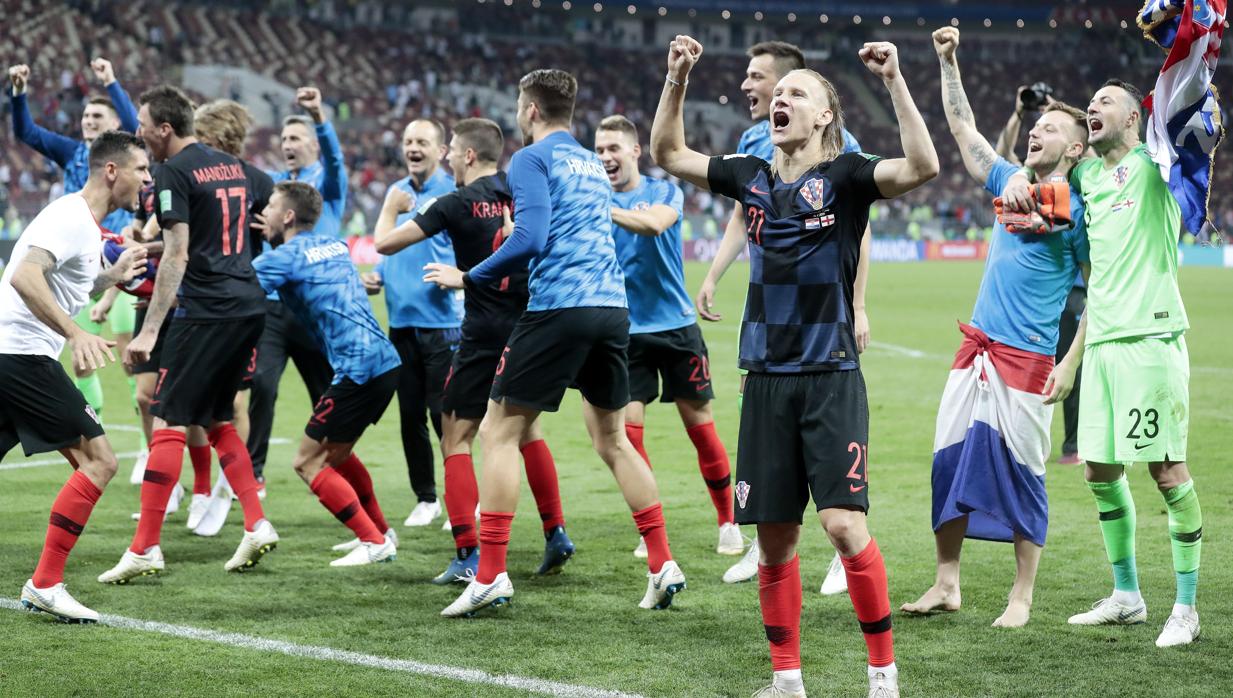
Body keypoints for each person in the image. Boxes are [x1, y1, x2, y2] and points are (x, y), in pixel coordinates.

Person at [651, 35, 938, 697]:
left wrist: (895, 80)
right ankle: (787, 681)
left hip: (829, 376)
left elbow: (921, 165)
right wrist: (676, 78)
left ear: (822, 119)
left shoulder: (845, 177)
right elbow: (668, 153)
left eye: (795, 94)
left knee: (841, 524)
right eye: (777, 94)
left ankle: (882, 675)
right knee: (774, 542)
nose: (779, 99)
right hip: (764, 380)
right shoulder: (749, 178)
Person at [428, 69, 686, 618]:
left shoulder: (529, 159)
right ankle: (663, 563)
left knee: (498, 432)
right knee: (613, 440)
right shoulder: (592, 162)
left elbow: (531, 237)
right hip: (612, 309)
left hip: (558, 308)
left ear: (529, 110)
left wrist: (469, 276)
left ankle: (492, 574)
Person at [899, 27, 1090, 629]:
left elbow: (1102, 289)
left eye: (1052, 128)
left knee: (1025, 475)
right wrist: (947, 60)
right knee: (947, 462)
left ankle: (1021, 597)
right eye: (1038, 126)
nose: (1037, 131)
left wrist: (1071, 360)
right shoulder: (1009, 177)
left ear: (1077, 150)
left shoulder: (1080, 210)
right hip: (973, 349)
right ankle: (946, 583)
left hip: (1029, 359)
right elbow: (963, 131)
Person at [1001, 78, 1204, 648]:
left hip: (1152, 337)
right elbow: (1039, 171)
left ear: (1137, 118)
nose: (1093, 107)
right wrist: (1068, 362)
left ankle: (1185, 608)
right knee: (1099, 471)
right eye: (1090, 103)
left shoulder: (1157, 163)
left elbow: (1197, 128)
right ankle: (1127, 597)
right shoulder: (1086, 178)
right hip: (1105, 340)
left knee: (1166, 472)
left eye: (1105, 101)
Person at [697, 40, 869, 592]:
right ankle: (765, 544)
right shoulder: (756, 144)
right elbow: (744, 215)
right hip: (770, 339)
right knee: (773, 490)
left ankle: (844, 549)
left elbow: (857, 231)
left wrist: (858, 305)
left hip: (823, 332)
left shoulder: (835, 148)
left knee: (837, 503)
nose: (751, 87)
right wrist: (714, 273)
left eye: (760, 78)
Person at [374, 117, 573, 582]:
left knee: (454, 436)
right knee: (527, 431)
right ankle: (555, 530)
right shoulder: (523, 191)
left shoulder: (454, 203)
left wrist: (390, 207)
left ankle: (467, 552)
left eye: (449, 152)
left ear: (466, 155)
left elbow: (384, 244)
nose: (445, 159)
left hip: (482, 330)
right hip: (529, 326)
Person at [98, 85, 276, 583]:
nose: (138, 133)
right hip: (248, 305)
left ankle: (145, 547)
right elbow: (276, 200)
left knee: (170, 418)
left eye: (142, 124)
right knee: (218, 417)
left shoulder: (174, 171)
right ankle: (256, 522)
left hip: (209, 310)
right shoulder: (234, 166)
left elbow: (179, 254)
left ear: (164, 129)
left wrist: (149, 331)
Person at [1, 131, 149, 622]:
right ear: (113, 171)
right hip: (21, 355)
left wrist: (113, 276)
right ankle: (45, 583)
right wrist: (75, 334)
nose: (147, 180)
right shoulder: (70, 217)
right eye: (141, 170)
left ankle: (46, 582)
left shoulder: (83, 224)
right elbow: (25, 276)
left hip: (12, 354)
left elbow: (67, 284)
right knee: (99, 461)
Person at [594, 114, 741, 557]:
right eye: (599, 151)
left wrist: (598, 208)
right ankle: (651, 528)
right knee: (629, 435)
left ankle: (728, 521)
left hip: (676, 327)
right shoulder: (595, 196)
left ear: (634, 150)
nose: (606, 158)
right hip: (626, 332)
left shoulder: (663, 191)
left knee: (700, 428)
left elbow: (655, 224)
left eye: (613, 148)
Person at [253, 181, 400, 566]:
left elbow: (234, 290)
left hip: (357, 368)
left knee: (306, 462)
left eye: (269, 207)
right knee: (337, 454)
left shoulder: (283, 258)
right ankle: (382, 533)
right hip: (383, 361)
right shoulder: (334, 244)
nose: (263, 213)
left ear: (287, 216)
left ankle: (372, 540)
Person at [8, 58, 144, 452]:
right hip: (73, 257)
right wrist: (18, 93)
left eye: (97, 115)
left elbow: (138, 133)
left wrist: (113, 83)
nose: (88, 121)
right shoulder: (72, 157)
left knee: (128, 358)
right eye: (85, 115)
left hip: (109, 254)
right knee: (82, 361)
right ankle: (91, 433)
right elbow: (27, 132)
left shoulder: (127, 161)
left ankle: (139, 442)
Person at [361, 118, 461, 527]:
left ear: (441, 151)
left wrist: (454, 273)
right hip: (401, 323)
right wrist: (380, 276)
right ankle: (426, 497)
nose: (413, 148)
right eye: (408, 141)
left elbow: (465, 248)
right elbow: (390, 247)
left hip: (442, 325)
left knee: (446, 417)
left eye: (422, 141)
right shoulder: (396, 192)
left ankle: (462, 496)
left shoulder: (453, 194)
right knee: (410, 416)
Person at [250, 88, 339, 490]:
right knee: (262, 384)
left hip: (315, 307)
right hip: (274, 304)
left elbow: (336, 159)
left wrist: (319, 117)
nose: (288, 145)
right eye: (284, 139)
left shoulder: (329, 183)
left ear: (313, 147)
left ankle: (333, 464)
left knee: (325, 391)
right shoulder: (276, 188)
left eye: (295, 139)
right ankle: (253, 473)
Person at [993, 84, 1087, 465]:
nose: (1041, 130)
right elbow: (1004, 156)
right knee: (1056, 363)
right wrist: (1019, 114)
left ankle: (1074, 443)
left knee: (1069, 364)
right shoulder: (1030, 178)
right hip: (1047, 289)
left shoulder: (1082, 174)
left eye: (1052, 127)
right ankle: (1058, 442)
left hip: (1076, 287)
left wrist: (1056, 114)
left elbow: (1080, 153)